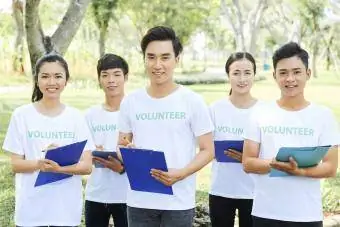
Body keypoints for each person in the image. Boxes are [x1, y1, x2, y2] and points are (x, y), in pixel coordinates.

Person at [117, 26, 215, 227]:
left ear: (177, 59)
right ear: (144, 59)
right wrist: (127, 153)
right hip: (139, 200)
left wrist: (183, 173)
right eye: (151, 57)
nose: (157, 65)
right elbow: (121, 145)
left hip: (178, 201)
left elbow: (208, 149)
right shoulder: (131, 102)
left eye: (165, 57)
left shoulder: (192, 101)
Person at [242, 42, 339, 227]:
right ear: (275, 76)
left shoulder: (323, 116)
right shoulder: (260, 113)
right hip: (265, 213)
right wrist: (277, 164)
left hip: (306, 215)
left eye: (296, 72)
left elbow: (330, 167)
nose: (290, 79)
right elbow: (248, 162)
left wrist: (300, 171)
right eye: (283, 73)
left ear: (307, 74)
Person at [2, 53, 94, 227]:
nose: (52, 82)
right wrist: (40, 164)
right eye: (45, 76)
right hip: (30, 210)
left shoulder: (76, 118)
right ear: (37, 80)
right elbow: (15, 165)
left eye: (58, 76)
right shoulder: (21, 115)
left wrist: (60, 168)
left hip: (65, 211)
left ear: (66, 80)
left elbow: (87, 166)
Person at [209, 52, 259, 227]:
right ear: (228, 75)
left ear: (254, 75)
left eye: (247, 72)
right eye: (236, 73)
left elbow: (272, 151)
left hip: (254, 191)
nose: (242, 79)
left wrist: (247, 157)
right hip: (221, 189)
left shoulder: (264, 110)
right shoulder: (214, 109)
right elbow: (204, 146)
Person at [84, 53, 129, 227]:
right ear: (99, 79)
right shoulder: (89, 115)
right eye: (105, 75)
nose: (111, 80)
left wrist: (122, 168)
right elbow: (82, 154)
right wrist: (92, 152)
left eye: (117, 74)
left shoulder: (134, 112)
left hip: (127, 195)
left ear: (125, 77)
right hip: (96, 193)